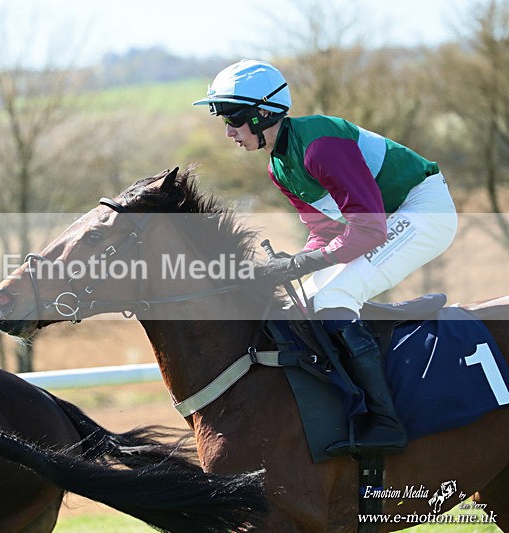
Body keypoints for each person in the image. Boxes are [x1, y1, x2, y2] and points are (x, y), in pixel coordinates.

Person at [193, 59, 458, 455]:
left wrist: (301, 264)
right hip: (386, 220)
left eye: (233, 119)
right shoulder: (279, 168)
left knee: (334, 297)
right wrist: (289, 266)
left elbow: (369, 231)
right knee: (304, 302)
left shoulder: (321, 146)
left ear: (262, 113)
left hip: (423, 208)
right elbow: (325, 232)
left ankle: (386, 422)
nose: (228, 132)